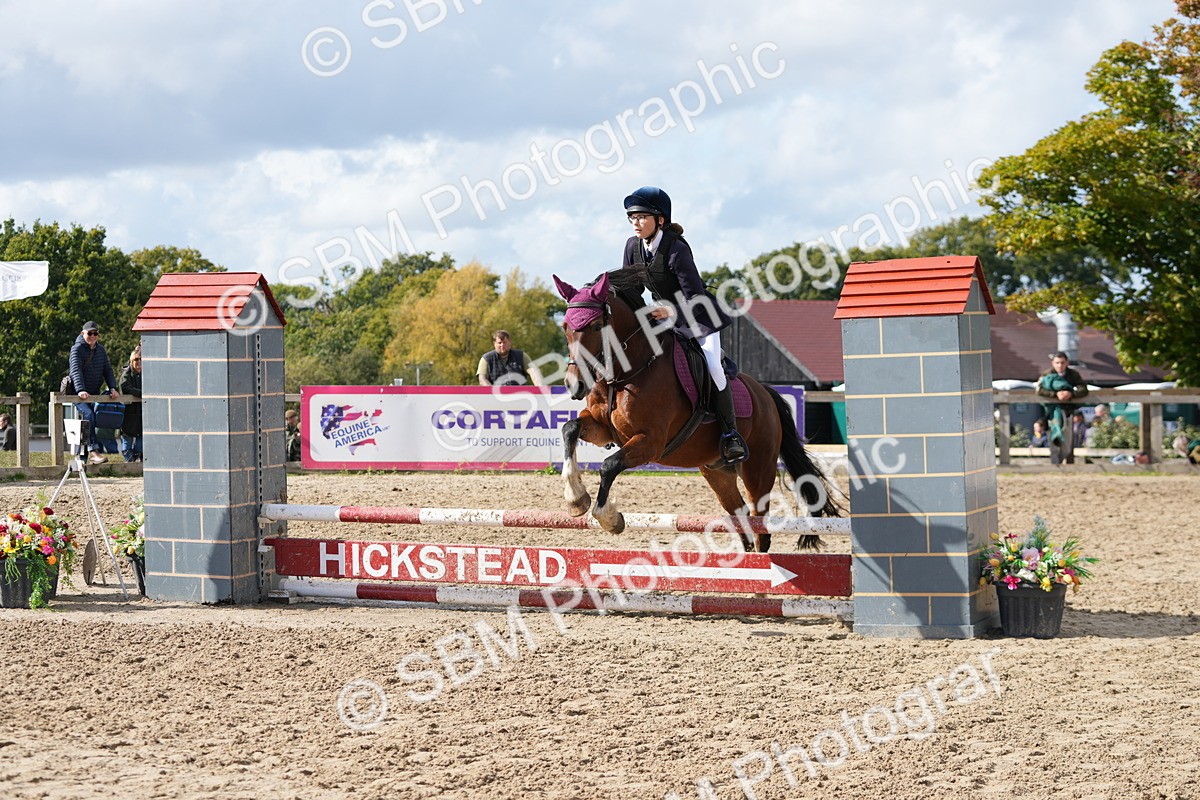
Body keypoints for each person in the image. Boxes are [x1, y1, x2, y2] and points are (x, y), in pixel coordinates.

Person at [620, 186, 747, 463]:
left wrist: (669, 311)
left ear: (660, 220)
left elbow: (696, 297)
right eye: (632, 217)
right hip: (659, 314)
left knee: (713, 366)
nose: (635, 223)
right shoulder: (633, 247)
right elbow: (631, 290)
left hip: (698, 317)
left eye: (642, 217)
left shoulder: (676, 250)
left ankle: (730, 435)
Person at [68, 320, 119, 464]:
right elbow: (75, 370)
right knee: (88, 415)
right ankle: (94, 451)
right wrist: (80, 390)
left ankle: (82, 457)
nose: (92, 336)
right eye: (89, 333)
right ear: (82, 333)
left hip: (93, 393)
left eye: (95, 333)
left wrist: (112, 387)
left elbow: (107, 370)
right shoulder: (76, 349)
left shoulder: (100, 350)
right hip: (78, 393)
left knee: (90, 420)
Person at [1036, 351, 1088, 465]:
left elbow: (1083, 389)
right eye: (1057, 363)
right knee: (1053, 440)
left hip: (1067, 411)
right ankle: (1054, 465)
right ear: (1053, 363)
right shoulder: (1046, 375)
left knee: (1067, 445)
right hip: (1051, 413)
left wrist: (1071, 394)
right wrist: (1056, 395)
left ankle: (1061, 463)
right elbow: (1039, 390)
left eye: (1062, 363)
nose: (1060, 365)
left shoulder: (1073, 374)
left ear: (1067, 363)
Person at [477, 330, 545, 387]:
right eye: (499, 343)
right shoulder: (486, 359)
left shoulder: (521, 355)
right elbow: (482, 380)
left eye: (504, 342)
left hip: (521, 396)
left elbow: (534, 372)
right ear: (494, 343)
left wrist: (540, 388)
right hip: (496, 398)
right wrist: (493, 393)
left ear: (509, 342)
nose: (502, 345)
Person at [118, 347, 143, 462]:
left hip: (141, 412)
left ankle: (136, 461)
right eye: (136, 360)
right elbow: (125, 387)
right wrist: (141, 393)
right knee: (127, 439)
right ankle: (129, 462)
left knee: (140, 441)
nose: (139, 362)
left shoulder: (146, 374)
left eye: (141, 359)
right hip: (128, 412)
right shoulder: (127, 373)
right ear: (132, 362)